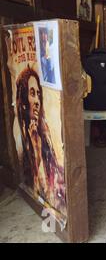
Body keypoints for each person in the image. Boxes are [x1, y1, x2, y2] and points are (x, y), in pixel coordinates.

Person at [16, 67, 66, 213]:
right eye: (32, 93)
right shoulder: (21, 142)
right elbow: (33, 185)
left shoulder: (46, 137)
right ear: (24, 100)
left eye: (38, 94)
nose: (37, 100)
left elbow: (55, 190)